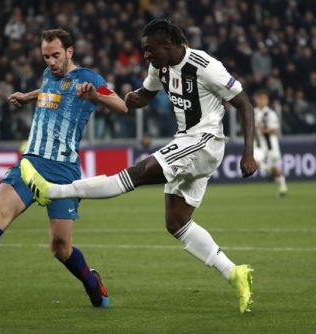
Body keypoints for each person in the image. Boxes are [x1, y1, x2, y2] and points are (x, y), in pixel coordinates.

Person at [21, 19, 258, 313]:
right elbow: (143, 97)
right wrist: (105, 97)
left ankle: (52, 191)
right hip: (186, 143)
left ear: (167, 45)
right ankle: (235, 273)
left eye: (149, 50)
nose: (145, 55)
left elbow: (245, 104)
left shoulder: (205, 65)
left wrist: (248, 153)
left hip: (205, 142)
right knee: (176, 222)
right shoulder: (159, 67)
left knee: (137, 173)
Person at [0, 29, 128, 307]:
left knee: (61, 248)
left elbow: (121, 106)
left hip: (63, 170)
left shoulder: (88, 78)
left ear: (70, 52)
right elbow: (50, 91)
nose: (50, 62)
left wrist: (95, 96)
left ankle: (91, 282)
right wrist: (28, 96)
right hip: (30, 163)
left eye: (56, 55)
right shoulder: (50, 75)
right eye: (46, 57)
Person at [253, 90, 288, 196]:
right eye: (260, 98)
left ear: (267, 100)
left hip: (271, 145)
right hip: (259, 145)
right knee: (255, 161)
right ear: (257, 99)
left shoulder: (271, 113)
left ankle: (282, 186)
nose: (262, 101)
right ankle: (267, 168)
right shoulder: (253, 112)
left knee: (275, 169)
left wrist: (263, 129)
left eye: (264, 99)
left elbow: (276, 129)